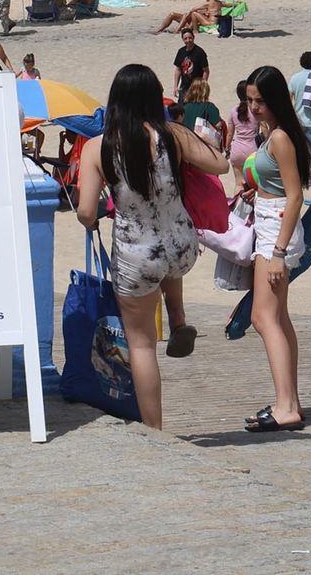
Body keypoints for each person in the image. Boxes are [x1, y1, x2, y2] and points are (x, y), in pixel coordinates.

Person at [73, 63, 228, 429]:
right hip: (182, 246)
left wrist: (95, 214)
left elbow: (85, 211)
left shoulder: (98, 148)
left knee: (142, 345)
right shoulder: (173, 135)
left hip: (137, 256)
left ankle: (154, 430)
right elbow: (220, 165)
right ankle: (178, 319)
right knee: (168, 261)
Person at [241, 65, 311, 432]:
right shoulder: (273, 133)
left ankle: (286, 405)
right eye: (249, 100)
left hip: (277, 231)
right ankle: (289, 401)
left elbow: (295, 195)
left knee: (263, 318)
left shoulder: (281, 137)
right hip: (271, 223)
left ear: (275, 100)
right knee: (279, 318)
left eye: (260, 101)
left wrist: (279, 253)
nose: (253, 107)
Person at [225, 80, 261, 182]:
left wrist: (227, 148)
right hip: (252, 150)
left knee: (238, 183)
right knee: (254, 184)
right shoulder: (255, 110)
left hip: (237, 150)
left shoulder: (233, 111)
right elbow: (262, 128)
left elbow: (230, 134)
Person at [155, 0, 222, 34]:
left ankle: (176, 31)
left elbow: (193, 9)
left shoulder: (209, 4)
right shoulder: (218, 4)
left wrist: (189, 14)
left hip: (198, 23)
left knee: (191, 14)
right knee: (172, 14)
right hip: (194, 22)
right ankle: (160, 30)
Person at [171, 29, 208, 102]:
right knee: (182, 106)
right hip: (184, 85)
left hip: (196, 86)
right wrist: (175, 86)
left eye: (190, 38)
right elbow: (178, 69)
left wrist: (202, 85)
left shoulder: (200, 52)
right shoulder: (181, 51)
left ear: (193, 37)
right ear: (183, 39)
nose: (188, 40)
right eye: (185, 38)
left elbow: (206, 71)